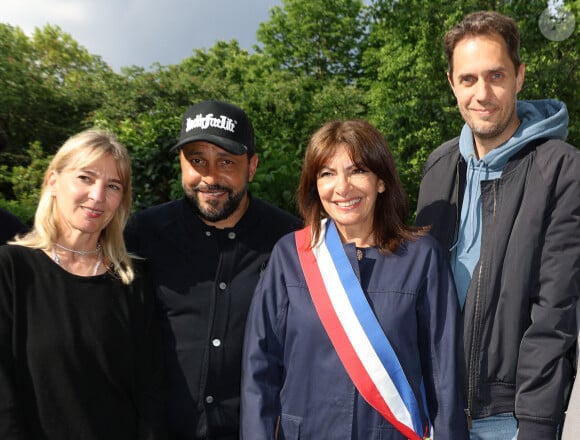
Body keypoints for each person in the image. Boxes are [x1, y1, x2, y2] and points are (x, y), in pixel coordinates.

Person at [241, 119, 469, 439]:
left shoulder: (422, 258)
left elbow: (444, 378)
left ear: (381, 181)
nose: (342, 187)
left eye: (357, 170)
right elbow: (259, 375)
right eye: (327, 174)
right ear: (314, 186)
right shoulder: (290, 257)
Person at [415, 10, 580, 440]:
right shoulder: (438, 167)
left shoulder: (562, 170)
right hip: (435, 412)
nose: (482, 93)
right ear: (452, 83)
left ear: (520, 76)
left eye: (496, 76)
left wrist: (538, 426)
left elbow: (555, 316)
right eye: (468, 79)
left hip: (509, 421)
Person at [124, 99, 302, 440]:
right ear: (180, 163)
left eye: (225, 162)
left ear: (251, 167)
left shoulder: (290, 242)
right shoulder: (141, 235)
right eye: (197, 161)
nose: (209, 177)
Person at [0, 129, 165, 439]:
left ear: (122, 200)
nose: (98, 196)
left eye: (112, 186)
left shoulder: (134, 280)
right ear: (52, 181)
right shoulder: (11, 268)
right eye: (85, 178)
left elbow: (151, 394)